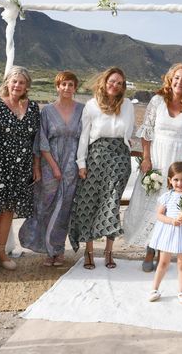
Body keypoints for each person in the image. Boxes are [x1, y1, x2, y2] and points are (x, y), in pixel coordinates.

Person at [123, 63, 182, 272]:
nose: (179, 82)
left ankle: (163, 249)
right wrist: (146, 158)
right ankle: (149, 249)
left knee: (172, 205)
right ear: (170, 79)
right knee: (152, 203)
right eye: (176, 78)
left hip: (178, 160)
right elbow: (146, 131)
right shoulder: (157, 101)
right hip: (157, 158)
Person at [69, 67, 134, 270]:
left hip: (120, 156)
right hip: (96, 155)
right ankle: (89, 252)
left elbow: (129, 132)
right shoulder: (91, 105)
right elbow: (84, 135)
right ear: (104, 82)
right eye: (112, 81)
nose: (115, 85)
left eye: (119, 83)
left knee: (112, 203)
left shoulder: (128, 105)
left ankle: (108, 251)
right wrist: (81, 163)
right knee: (90, 203)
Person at [19, 71, 84, 267]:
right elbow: (42, 141)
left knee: (65, 209)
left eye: (70, 85)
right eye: (63, 84)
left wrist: (81, 165)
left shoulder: (83, 110)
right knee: (45, 207)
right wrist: (53, 167)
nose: (66, 88)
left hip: (72, 167)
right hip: (50, 167)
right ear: (57, 87)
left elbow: (86, 138)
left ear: (75, 88)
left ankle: (58, 249)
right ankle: (47, 249)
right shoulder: (47, 111)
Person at [0, 66, 40, 274]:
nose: (17, 85)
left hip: (20, 166)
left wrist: (35, 166)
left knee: (8, 211)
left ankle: (1, 251)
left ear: (27, 86)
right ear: (7, 83)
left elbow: (35, 141)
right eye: (14, 81)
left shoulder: (33, 108)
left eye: (21, 82)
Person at [147, 162, 182, 304]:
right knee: (163, 261)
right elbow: (159, 215)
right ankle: (154, 288)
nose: (179, 183)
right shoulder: (167, 196)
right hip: (169, 231)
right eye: (176, 179)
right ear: (170, 180)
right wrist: (172, 221)